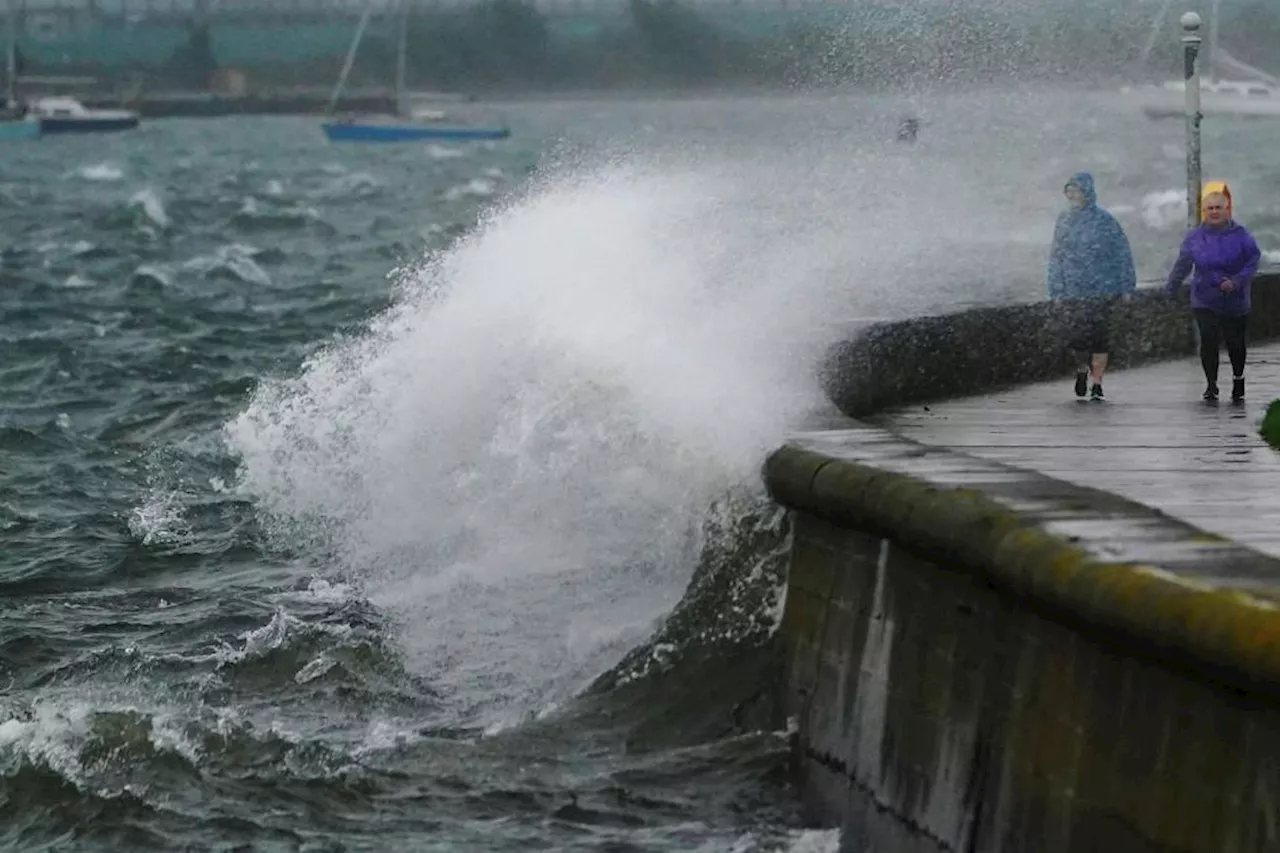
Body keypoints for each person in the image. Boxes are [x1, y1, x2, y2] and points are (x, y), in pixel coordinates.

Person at [1165, 181, 1262, 403]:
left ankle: (1238, 378)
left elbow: (1253, 260)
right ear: (1204, 211)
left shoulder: (1241, 235)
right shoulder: (1194, 237)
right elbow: (1183, 264)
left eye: (1219, 208)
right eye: (1210, 208)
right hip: (1204, 297)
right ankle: (1211, 384)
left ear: (1228, 210)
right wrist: (1171, 287)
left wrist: (1237, 281)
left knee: (1235, 342)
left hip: (1234, 299)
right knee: (1208, 338)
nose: (1215, 212)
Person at [1047, 172, 1137, 400]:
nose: (1072, 196)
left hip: (1102, 290)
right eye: (1069, 192)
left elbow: (1121, 253)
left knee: (1100, 338)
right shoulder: (1064, 221)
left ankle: (1097, 383)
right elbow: (1056, 256)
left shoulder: (1105, 221)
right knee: (1076, 338)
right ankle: (1081, 370)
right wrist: (1056, 289)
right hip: (1074, 291)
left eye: (1076, 191)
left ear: (1087, 192)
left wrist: (1126, 286)